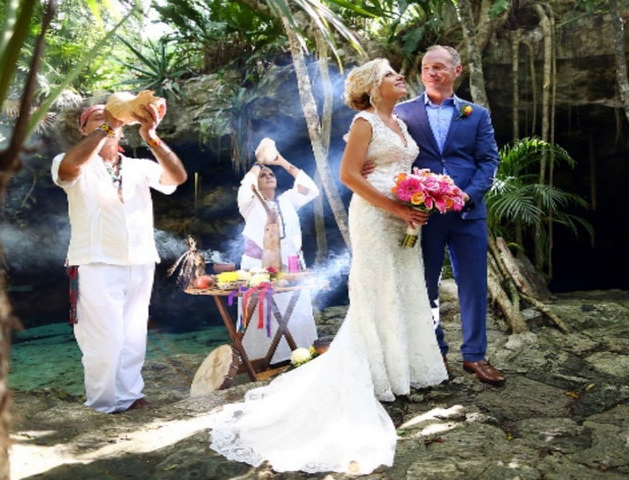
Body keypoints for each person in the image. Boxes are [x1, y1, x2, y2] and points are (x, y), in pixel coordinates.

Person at [209, 58, 447, 474]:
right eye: (391, 74)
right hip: (376, 216)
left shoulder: (402, 126)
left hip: (405, 215)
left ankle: (402, 367)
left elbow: (397, 166)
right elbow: (350, 175)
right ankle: (375, 371)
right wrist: (395, 205)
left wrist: (422, 195)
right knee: (377, 287)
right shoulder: (363, 122)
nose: (400, 77)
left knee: (405, 285)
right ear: (374, 88)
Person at [51, 101, 187, 414]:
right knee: (103, 338)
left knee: (134, 334)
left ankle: (129, 395)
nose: (108, 122)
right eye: (98, 119)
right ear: (85, 130)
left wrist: (151, 136)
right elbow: (68, 169)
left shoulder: (139, 167)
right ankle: (101, 404)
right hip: (95, 262)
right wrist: (107, 126)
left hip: (140, 261)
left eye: (113, 119)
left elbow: (176, 178)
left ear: (124, 130)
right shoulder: (70, 162)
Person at [394, 45, 504, 385]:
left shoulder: (476, 113)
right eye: (427, 67)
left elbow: (489, 161)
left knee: (472, 284)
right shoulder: (402, 112)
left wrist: (468, 196)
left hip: (469, 214)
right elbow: (393, 154)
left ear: (457, 71)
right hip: (423, 215)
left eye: (439, 67)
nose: (431, 73)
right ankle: (435, 351)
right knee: (425, 284)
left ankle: (475, 356)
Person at [237, 138, 320, 364]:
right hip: (258, 267)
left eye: (270, 174)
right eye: (263, 175)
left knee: (295, 312)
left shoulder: (287, 200)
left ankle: (298, 354)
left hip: (291, 267)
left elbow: (311, 190)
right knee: (262, 315)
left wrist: (280, 161)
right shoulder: (250, 203)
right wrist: (259, 163)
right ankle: (262, 360)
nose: (268, 176)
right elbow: (245, 186)